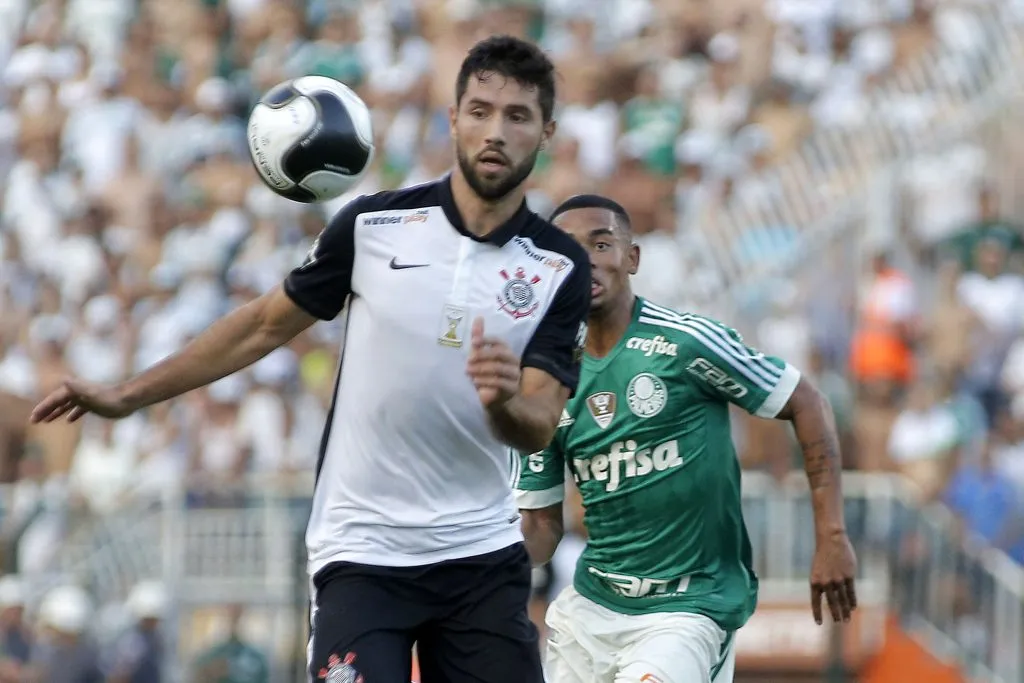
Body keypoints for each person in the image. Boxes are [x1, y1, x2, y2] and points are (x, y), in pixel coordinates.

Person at [30, 35, 591, 683]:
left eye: (517, 116)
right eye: (481, 110)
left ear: (546, 130)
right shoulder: (373, 227)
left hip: (480, 555)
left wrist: (503, 402)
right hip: (362, 553)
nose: (496, 130)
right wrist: (128, 395)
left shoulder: (557, 266)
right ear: (453, 118)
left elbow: (541, 419)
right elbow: (261, 326)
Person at [515, 195, 858, 683]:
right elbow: (542, 527)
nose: (586, 259)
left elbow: (806, 402)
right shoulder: (546, 379)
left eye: (602, 243)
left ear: (631, 258)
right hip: (592, 608)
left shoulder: (685, 343)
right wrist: (480, 571)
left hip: (689, 607)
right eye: (569, 249)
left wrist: (832, 537)